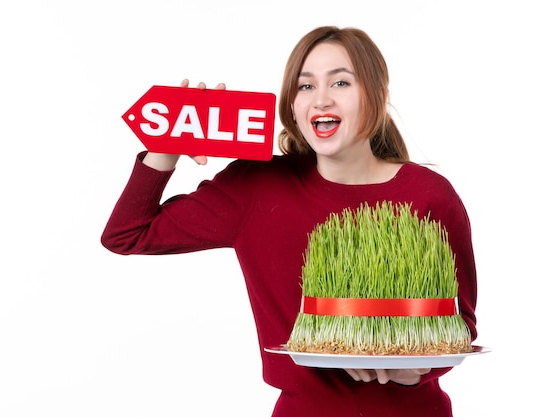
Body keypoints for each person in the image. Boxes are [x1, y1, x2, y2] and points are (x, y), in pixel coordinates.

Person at [100, 26, 477, 417]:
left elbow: (461, 322)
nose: (322, 99)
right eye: (305, 87)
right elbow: (128, 234)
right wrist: (166, 149)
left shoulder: (430, 195)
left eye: (342, 82)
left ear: (377, 96)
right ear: (291, 106)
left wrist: (413, 369)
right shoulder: (257, 187)